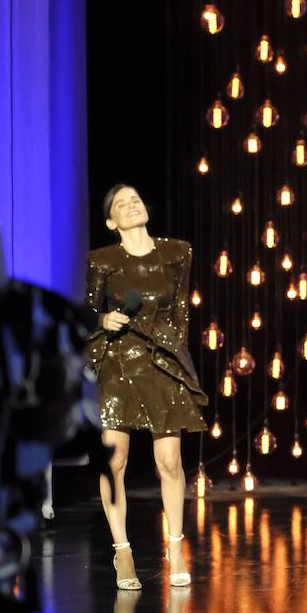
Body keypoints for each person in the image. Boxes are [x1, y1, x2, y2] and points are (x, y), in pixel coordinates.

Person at [85, 185, 208, 590]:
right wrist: (103, 322)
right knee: (114, 459)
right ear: (111, 222)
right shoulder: (102, 260)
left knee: (169, 461)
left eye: (136, 199)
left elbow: (182, 311)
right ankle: (123, 551)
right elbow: (88, 313)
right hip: (118, 362)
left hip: (161, 360)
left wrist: (177, 356)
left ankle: (175, 547)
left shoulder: (177, 252)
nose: (132, 205)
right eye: (121, 204)